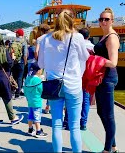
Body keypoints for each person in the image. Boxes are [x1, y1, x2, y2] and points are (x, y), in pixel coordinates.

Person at [38, 10, 89, 152]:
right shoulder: (77, 37)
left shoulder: (46, 39)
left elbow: (41, 65)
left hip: (54, 86)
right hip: (73, 85)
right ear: (72, 22)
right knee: (74, 126)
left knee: (56, 124)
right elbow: (85, 57)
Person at [94, 7, 120, 153]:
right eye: (101, 19)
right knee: (100, 111)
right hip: (100, 77)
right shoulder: (104, 36)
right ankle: (113, 146)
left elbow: (113, 62)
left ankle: (107, 150)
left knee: (108, 114)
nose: (103, 22)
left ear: (112, 21)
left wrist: (95, 59)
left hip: (108, 78)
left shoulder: (112, 37)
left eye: (106, 19)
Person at [24, 63, 48, 138]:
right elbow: (41, 90)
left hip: (30, 101)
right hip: (37, 101)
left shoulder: (27, 78)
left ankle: (30, 129)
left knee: (30, 116)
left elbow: (24, 90)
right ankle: (38, 131)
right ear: (38, 71)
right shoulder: (38, 80)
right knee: (37, 117)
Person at [11, 29, 28, 99]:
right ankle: (17, 94)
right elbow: (25, 54)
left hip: (13, 61)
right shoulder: (24, 42)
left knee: (13, 77)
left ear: (18, 34)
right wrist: (25, 62)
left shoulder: (13, 41)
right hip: (21, 62)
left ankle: (12, 92)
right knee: (20, 78)